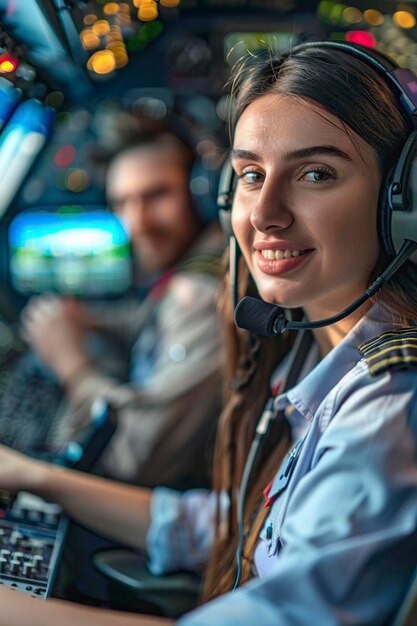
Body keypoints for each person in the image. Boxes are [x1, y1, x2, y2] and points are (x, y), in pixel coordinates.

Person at [1, 40, 417, 625]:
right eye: (251, 175)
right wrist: (34, 476)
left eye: (316, 173)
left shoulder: (389, 406)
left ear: (404, 200)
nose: (264, 213)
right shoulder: (308, 347)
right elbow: (236, 524)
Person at [21, 113, 225, 488]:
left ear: (201, 192)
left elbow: (137, 454)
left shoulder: (201, 295)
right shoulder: (195, 267)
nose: (138, 223)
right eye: (122, 203)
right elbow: (151, 319)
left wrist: (73, 366)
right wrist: (88, 320)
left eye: (156, 195)